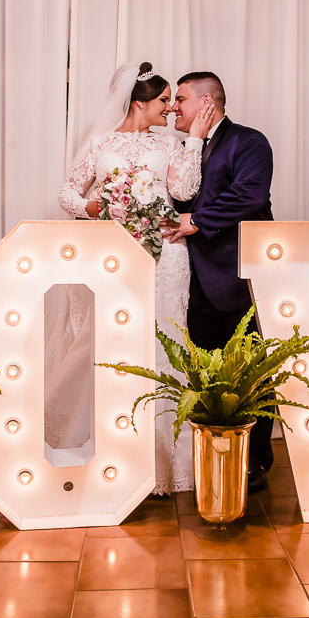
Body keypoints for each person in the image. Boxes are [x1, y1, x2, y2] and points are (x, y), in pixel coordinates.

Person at [58, 62, 214, 494]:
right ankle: (113, 451)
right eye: (164, 101)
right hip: (113, 256)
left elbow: (183, 192)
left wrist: (194, 142)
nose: (170, 110)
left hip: (166, 260)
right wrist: (93, 208)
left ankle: (166, 464)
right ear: (139, 102)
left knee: (163, 344)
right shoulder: (101, 143)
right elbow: (69, 191)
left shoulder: (171, 145)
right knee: (115, 344)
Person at [162, 71, 275, 493]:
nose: (173, 106)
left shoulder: (249, 141)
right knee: (205, 374)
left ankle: (256, 462)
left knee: (251, 372)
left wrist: (197, 221)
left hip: (237, 277)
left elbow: (250, 195)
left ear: (209, 103)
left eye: (182, 98)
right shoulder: (181, 147)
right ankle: (212, 455)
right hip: (190, 281)